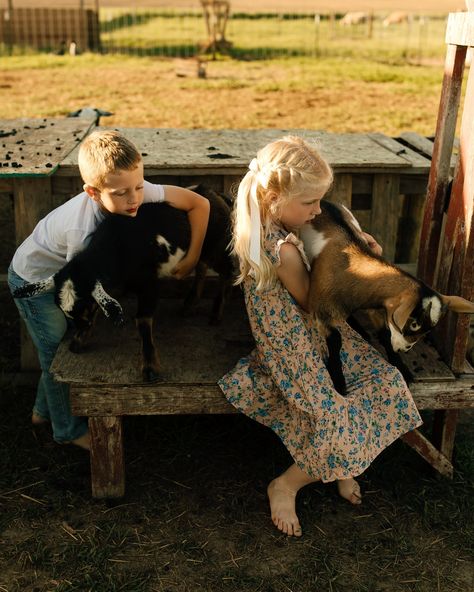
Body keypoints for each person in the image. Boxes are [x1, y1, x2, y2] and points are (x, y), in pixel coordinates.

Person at [218, 135, 422, 537]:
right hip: (294, 340)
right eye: (309, 203)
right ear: (275, 197)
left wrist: (357, 250)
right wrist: (362, 272)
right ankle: (286, 484)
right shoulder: (282, 249)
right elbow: (315, 300)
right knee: (332, 417)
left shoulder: (276, 219)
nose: (316, 211)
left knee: (387, 385)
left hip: (320, 333)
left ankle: (342, 464)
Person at [8, 130, 210, 451]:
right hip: (34, 281)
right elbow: (80, 286)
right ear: (92, 192)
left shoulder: (135, 191)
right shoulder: (81, 231)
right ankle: (66, 430)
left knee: (56, 346)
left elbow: (199, 203)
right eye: (121, 193)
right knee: (57, 358)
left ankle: (41, 413)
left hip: (65, 277)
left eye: (140, 187)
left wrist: (194, 256)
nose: (134, 200)